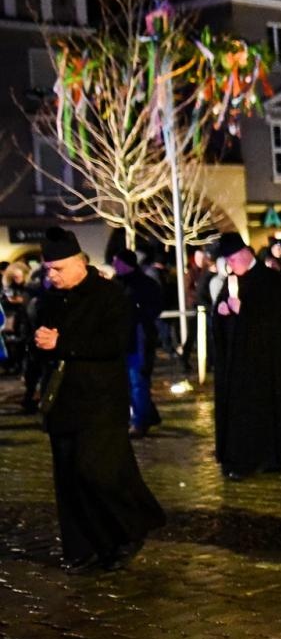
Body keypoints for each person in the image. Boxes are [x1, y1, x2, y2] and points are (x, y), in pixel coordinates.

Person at [33, 228, 166, 571]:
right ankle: (81, 548)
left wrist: (62, 343)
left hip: (101, 403)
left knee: (100, 473)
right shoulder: (50, 298)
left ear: (79, 263)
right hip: (62, 402)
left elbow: (113, 344)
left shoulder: (109, 296)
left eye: (58, 269)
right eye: (49, 269)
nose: (52, 275)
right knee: (68, 479)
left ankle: (125, 532)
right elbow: (42, 342)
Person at [211, 232, 281, 480]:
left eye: (232, 260)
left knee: (264, 413)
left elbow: (279, 322)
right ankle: (241, 458)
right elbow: (222, 318)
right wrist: (221, 313)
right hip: (237, 366)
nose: (230, 266)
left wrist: (244, 312)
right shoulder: (231, 282)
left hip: (266, 367)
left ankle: (270, 457)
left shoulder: (272, 281)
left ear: (245, 254)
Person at [112, 247, 163, 437]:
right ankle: (146, 415)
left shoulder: (145, 284)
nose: (114, 265)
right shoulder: (115, 284)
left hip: (138, 339)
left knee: (137, 381)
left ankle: (140, 420)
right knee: (128, 382)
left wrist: (138, 315)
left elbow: (155, 307)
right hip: (121, 340)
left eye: (118, 262)